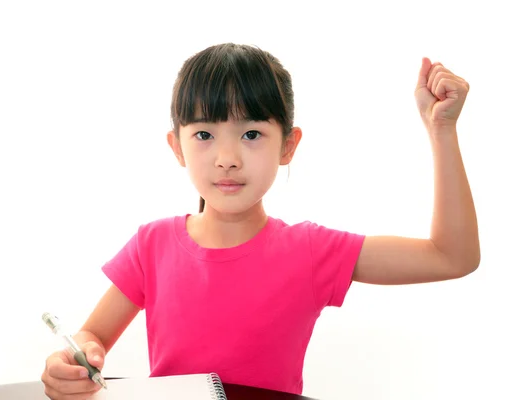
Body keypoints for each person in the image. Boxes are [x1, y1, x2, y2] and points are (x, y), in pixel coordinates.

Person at [40, 43, 480, 399]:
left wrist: (442, 132)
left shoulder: (311, 251)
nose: (227, 159)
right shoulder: (151, 245)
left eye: (251, 134)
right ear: (177, 147)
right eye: (204, 135)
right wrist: (75, 361)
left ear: (288, 145)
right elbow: (91, 336)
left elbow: (451, 257)